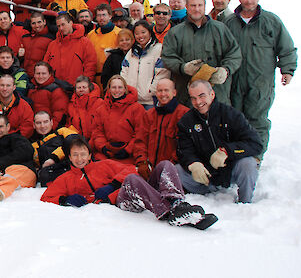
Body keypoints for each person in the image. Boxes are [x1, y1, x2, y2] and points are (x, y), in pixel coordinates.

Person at [42, 137, 217, 230]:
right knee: (133, 181)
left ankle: (177, 203)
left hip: (130, 191)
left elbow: (131, 169)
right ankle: (168, 212)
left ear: (89, 155)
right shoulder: (66, 178)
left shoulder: (104, 165)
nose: (79, 159)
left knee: (165, 164)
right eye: (75, 155)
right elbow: (46, 196)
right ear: (70, 157)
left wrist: (112, 185)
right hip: (124, 201)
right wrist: (65, 199)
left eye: (83, 154)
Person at [224, 0, 297, 157]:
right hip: (234, 81)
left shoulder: (271, 21)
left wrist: (287, 70)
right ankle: (236, 157)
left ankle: (256, 156)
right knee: (233, 121)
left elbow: (286, 48)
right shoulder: (229, 22)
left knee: (257, 121)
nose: (249, 1)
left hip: (260, 83)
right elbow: (219, 48)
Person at [177, 80, 263, 203]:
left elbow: (256, 144)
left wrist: (228, 151)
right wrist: (193, 163)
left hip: (230, 172)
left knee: (248, 163)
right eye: (193, 98)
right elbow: (184, 149)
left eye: (202, 96)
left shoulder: (230, 114)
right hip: (204, 176)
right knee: (176, 170)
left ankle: (245, 203)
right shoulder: (186, 121)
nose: (198, 102)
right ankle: (194, 199)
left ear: (212, 94)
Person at [161, 0, 242, 105]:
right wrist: (183, 68)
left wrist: (226, 70)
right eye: (193, 5)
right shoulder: (175, 32)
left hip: (217, 94)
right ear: (187, 7)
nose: (197, 9)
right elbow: (167, 57)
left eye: (200, 5)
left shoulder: (220, 29)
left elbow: (234, 54)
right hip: (186, 96)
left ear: (205, 6)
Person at [133, 78, 189, 179]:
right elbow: (140, 141)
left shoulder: (183, 114)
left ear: (174, 93)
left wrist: (169, 166)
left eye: (166, 90)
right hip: (150, 168)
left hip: (172, 170)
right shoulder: (149, 115)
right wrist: (142, 162)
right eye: (160, 91)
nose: (163, 94)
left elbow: (184, 146)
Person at [90, 75, 146, 163]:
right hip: (108, 153)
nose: (117, 90)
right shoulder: (101, 110)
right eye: (113, 87)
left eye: (120, 87)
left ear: (125, 89)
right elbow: (97, 132)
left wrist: (128, 150)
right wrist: (103, 147)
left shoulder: (137, 108)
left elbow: (140, 133)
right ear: (109, 89)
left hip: (129, 154)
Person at [121, 21, 169, 108]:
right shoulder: (132, 52)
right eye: (137, 33)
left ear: (150, 32)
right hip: (132, 99)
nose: (140, 36)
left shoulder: (159, 49)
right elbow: (124, 71)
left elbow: (162, 73)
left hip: (151, 101)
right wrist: (127, 89)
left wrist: (152, 91)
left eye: (143, 32)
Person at [44, 13, 96, 85]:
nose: (61, 28)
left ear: (71, 23)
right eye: (58, 26)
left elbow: (90, 66)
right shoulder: (52, 44)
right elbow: (46, 65)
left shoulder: (85, 42)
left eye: (63, 24)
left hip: (76, 87)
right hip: (56, 87)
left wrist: (84, 85)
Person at [31, 111, 79, 186]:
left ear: (51, 122)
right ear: (34, 125)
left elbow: (76, 142)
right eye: (38, 123)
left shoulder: (63, 131)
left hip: (71, 164)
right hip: (52, 171)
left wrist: (54, 158)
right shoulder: (33, 146)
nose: (43, 126)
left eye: (46, 122)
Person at [87, 4, 121, 84]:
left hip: (113, 78)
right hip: (95, 78)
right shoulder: (91, 35)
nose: (101, 18)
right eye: (99, 15)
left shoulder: (119, 33)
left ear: (110, 16)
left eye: (104, 15)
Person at [29, 61, 69, 126]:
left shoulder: (56, 90)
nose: (40, 76)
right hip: (35, 127)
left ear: (50, 74)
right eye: (38, 73)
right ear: (34, 75)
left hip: (48, 128)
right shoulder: (31, 88)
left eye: (44, 73)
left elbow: (60, 112)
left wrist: (51, 128)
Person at [20, 12, 54, 77]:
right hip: (25, 75)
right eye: (33, 23)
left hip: (40, 76)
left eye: (39, 22)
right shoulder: (25, 38)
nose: (37, 25)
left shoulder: (50, 39)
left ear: (44, 22)